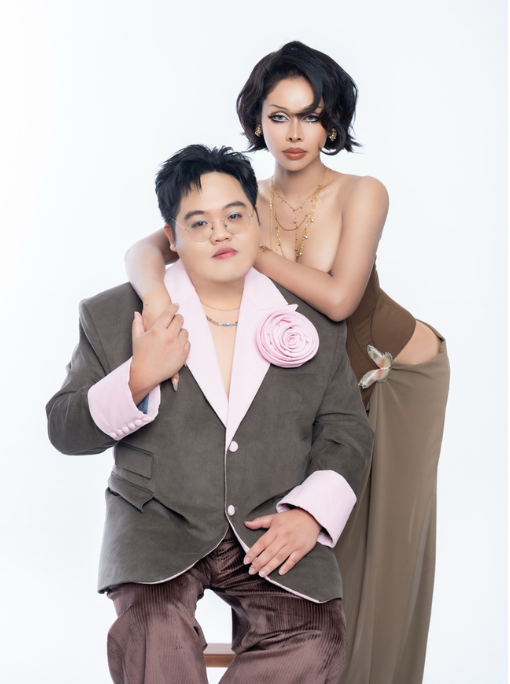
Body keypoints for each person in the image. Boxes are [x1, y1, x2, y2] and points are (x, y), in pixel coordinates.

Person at [124, 42, 451, 684]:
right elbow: (145, 247)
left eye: (311, 116)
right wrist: (158, 296)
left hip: (394, 373)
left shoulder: (361, 193)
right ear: (258, 121)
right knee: (283, 538)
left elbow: (340, 298)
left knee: (377, 551)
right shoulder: (244, 199)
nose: (295, 133)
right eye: (279, 116)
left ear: (333, 123)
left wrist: (246, 249)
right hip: (312, 384)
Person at [47, 144, 374, 684]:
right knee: (153, 632)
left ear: (257, 220)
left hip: (269, 523)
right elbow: (64, 430)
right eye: (199, 223)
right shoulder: (113, 313)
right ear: (171, 238)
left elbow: (346, 430)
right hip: (156, 521)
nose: (221, 233)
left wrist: (309, 514)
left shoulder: (312, 320)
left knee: (317, 637)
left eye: (234, 216)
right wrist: (138, 375)